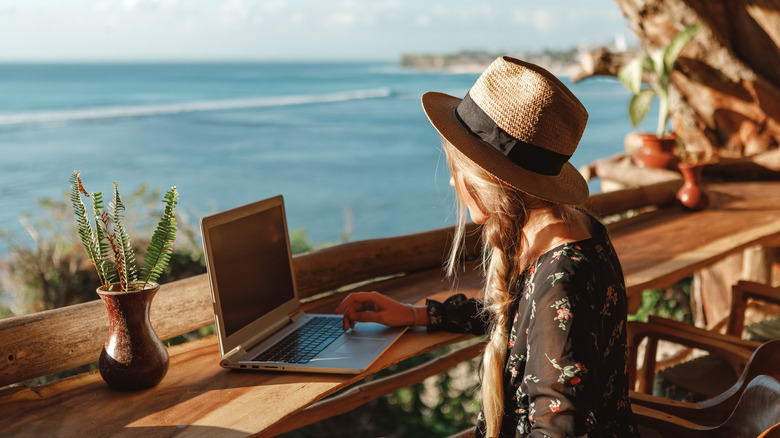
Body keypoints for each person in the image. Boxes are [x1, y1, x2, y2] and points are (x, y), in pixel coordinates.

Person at [336, 56, 639, 438]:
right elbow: (526, 323)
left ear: (485, 180)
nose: (452, 184)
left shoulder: (562, 283)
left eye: (456, 171)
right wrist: (416, 315)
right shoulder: (576, 231)